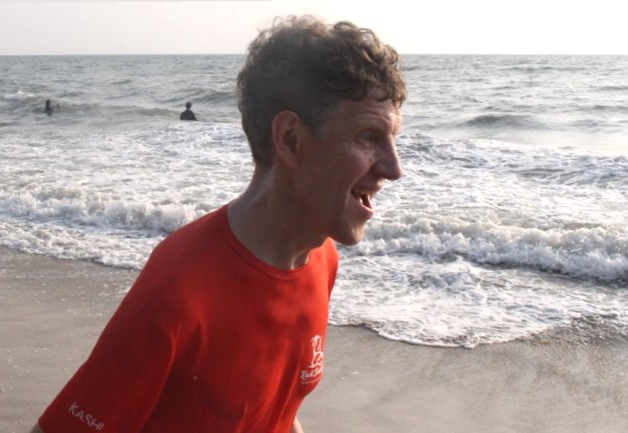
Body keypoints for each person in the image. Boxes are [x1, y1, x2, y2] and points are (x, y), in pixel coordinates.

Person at [31, 15, 406, 433]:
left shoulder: (321, 258)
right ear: (291, 140)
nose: (394, 169)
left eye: (394, 138)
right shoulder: (179, 291)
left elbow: (275, 412)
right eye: (368, 137)